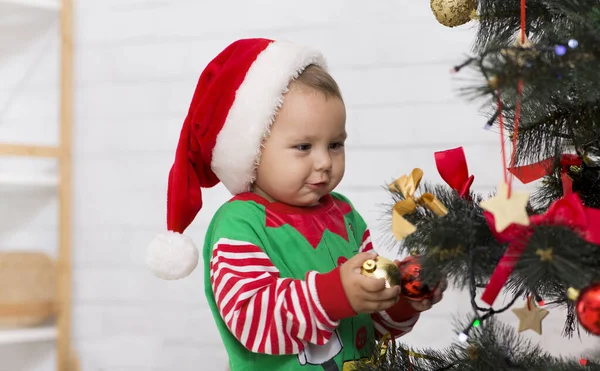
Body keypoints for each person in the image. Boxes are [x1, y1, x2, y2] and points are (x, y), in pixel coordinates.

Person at [146, 38, 445, 371]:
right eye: (303, 146)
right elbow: (250, 319)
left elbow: (367, 328)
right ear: (254, 151)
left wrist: (401, 298)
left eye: (335, 144)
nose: (323, 162)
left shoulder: (345, 216)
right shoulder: (240, 224)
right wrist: (335, 295)